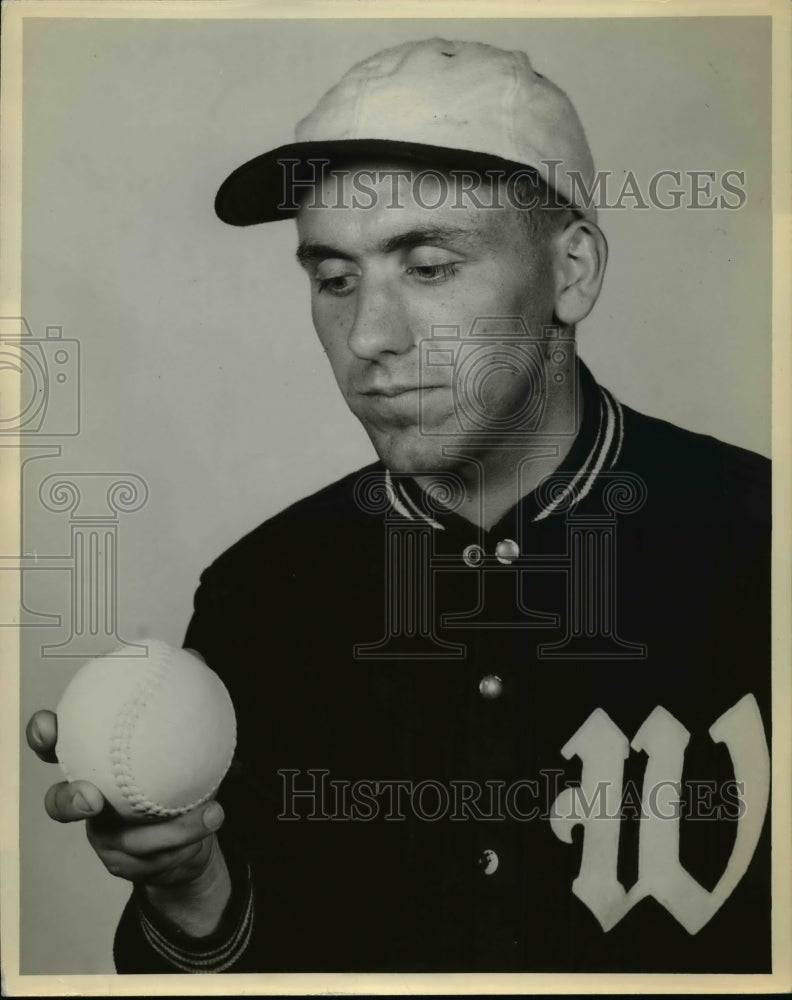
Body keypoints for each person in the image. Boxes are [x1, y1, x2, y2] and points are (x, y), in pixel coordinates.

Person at [27, 38, 771, 973]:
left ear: (571, 271)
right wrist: (191, 889)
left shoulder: (761, 549)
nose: (369, 337)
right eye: (334, 280)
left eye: (427, 266)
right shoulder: (262, 594)